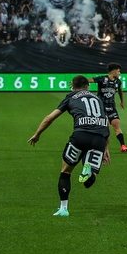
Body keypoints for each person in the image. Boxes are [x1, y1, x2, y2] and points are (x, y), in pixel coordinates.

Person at [28, 75, 111, 217]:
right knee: (88, 182)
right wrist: (106, 148)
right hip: (99, 138)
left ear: (72, 86)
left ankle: (63, 209)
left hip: (80, 135)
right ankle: (89, 172)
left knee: (65, 172)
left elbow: (49, 118)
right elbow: (107, 123)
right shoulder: (98, 99)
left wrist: (37, 134)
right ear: (87, 87)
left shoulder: (71, 96)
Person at [90, 62, 127, 152]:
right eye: (119, 71)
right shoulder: (102, 79)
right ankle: (97, 146)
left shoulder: (118, 82)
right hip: (101, 108)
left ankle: (123, 145)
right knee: (104, 127)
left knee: (116, 125)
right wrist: (78, 83)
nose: (120, 73)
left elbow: (120, 90)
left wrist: (122, 101)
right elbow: (89, 80)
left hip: (111, 107)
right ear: (114, 72)